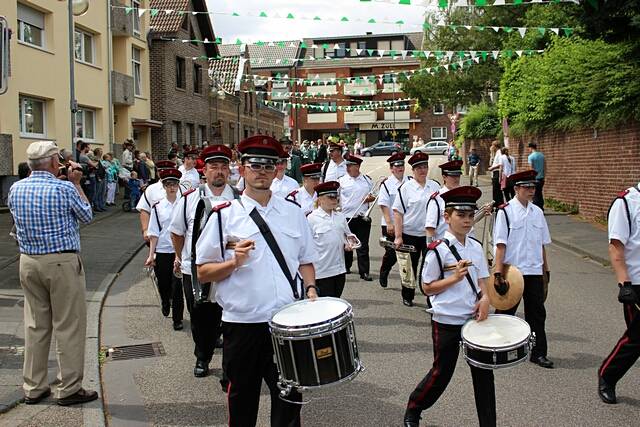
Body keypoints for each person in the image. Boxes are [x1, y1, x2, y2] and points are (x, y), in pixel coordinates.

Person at [195, 135, 318, 427]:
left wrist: (311, 288)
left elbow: (306, 260)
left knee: (289, 403)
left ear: (278, 170)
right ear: (242, 168)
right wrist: (232, 263)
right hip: (243, 324)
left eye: (269, 165)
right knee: (242, 403)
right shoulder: (224, 216)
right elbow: (202, 271)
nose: (262, 171)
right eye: (255, 165)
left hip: (287, 324)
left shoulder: (293, 213)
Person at [8, 140, 98, 406]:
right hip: (61, 262)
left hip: (28, 261)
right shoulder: (64, 188)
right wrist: (78, 184)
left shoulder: (16, 188)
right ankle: (68, 387)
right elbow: (87, 215)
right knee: (68, 325)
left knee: (35, 325)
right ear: (53, 163)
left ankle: (34, 386)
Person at [403, 186, 494, 427]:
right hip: (447, 319)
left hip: (474, 320)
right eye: (460, 215)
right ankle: (415, 407)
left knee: (484, 375)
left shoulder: (475, 247)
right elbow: (427, 287)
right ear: (447, 217)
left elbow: (484, 280)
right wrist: (454, 278)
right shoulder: (438, 250)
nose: (466, 220)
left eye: (470, 215)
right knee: (442, 372)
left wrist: (485, 299)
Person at [169, 145, 239, 380]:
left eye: (223, 167)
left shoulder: (239, 199)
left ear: (229, 171)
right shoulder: (190, 199)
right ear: (204, 171)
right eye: (213, 167)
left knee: (230, 315)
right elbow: (177, 232)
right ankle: (203, 355)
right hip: (196, 270)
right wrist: (182, 257)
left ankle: (230, 366)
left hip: (230, 270)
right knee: (200, 316)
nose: (219, 172)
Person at [493, 169, 553, 368]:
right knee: (505, 312)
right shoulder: (505, 212)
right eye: (527, 187)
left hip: (534, 271)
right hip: (513, 272)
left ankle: (538, 352)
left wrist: (546, 271)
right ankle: (498, 349)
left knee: (537, 314)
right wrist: (497, 273)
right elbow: (500, 245)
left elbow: (541, 244)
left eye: (533, 186)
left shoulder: (537, 212)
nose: (531, 190)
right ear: (516, 189)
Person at [597, 180, 640, 404]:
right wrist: (624, 283)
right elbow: (616, 246)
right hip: (636, 283)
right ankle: (607, 375)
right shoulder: (626, 202)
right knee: (637, 338)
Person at [392, 152, 440, 306]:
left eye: (425, 167)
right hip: (410, 234)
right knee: (409, 267)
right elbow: (398, 212)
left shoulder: (435, 186)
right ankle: (408, 295)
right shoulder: (406, 188)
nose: (422, 170)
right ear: (413, 170)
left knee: (430, 267)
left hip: (429, 235)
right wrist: (398, 236)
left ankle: (430, 297)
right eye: (419, 168)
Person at [145, 168, 184, 331]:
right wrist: (150, 255)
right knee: (164, 284)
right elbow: (153, 232)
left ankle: (178, 319)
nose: (172, 188)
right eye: (168, 184)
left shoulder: (184, 204)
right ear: (164, 186)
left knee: (178, 286)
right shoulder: (158, 206)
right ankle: (164, 300)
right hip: (162, 250)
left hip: (179, 250)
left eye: (174, 184)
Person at [308, 181, 352, 297]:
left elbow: (348, 236)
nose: (334, 200)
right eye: (330, 197)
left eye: (336, 197)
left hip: (340, 270)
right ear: (320, 199)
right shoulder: (311, 219)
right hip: (322, 272)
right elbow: (305, 246)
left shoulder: (340, 217)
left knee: (336, 301)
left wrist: (349, 243)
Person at [339, 153, 375, 281]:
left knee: (363, 246)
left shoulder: (367, 180)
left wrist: (369, 198)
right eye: (347, 166)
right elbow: (337, 198)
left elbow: (374, 195)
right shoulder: (341, 180)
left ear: (358, 166)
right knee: (347, 245)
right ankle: (347, 266)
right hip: (346, 217)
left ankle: (364, 272)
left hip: (362, 217)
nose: (348, 168)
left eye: (351, 166)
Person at [377, 152, 410, 287]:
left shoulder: (410, 181)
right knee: (391, 253)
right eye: (396, 166)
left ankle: (407, 283)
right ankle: (384, 271)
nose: (400, 168)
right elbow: (383, 204)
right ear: (391, 168)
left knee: (406, 254)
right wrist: (389, 223)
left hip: (407, 224)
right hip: (389, 223)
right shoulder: (386, 184)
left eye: (402, 165)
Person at [136, 160, 179, 243]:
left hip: (177, 235)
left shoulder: (181, 188)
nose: (164, 173)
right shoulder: (151, 189)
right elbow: (144, 210)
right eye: (161, 171)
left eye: (167, 170)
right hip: (158, 235)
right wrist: (145, 230)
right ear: (158, 173)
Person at [527, 143, 545, 210]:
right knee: (540, 193)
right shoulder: (542, 156)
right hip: (541, 178)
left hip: (535, 178)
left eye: (528, 148)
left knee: (535, 195)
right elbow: (545, 167)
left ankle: (536, 209)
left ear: (531, 148)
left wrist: (531, 178)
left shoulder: (531, 157)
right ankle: (541, 208)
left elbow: (531, 169)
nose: (528, 149)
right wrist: (544, 176)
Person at [487, 141, 504, 206]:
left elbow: (500, 164)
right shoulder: (497, 152)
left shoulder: (499, 152)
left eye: (492, 145)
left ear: (495, 146)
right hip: (495, 172)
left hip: (497, 172)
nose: (491, 147)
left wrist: (492, 168)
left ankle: (497, 204)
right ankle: (496, 203)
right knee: (496, 190)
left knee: (496, 190)